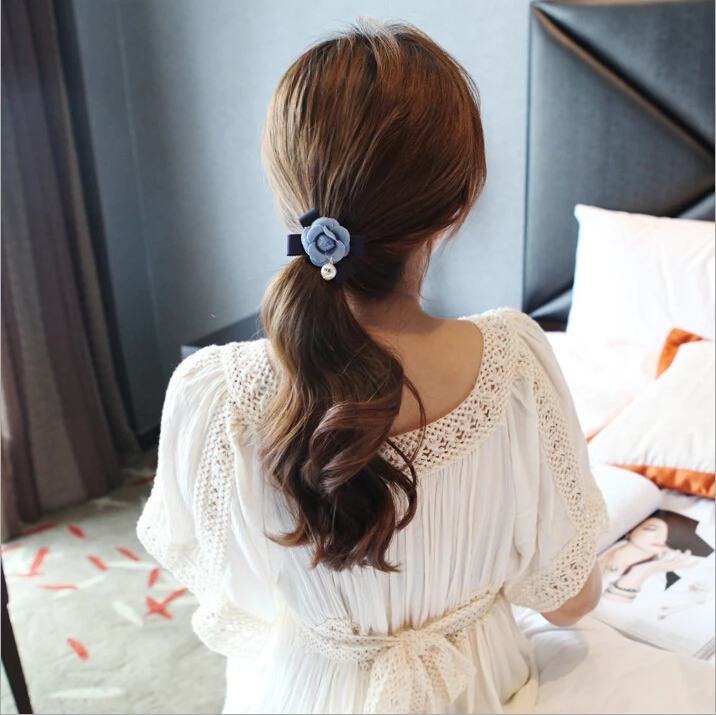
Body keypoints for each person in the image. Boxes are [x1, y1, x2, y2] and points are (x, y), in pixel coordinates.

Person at [136, 19, 712, 715]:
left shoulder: (214, 394)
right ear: (458, 204)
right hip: (480, 689)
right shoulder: (517, 364)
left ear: (287, 191)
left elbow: (243, 607)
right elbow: (567, 600)